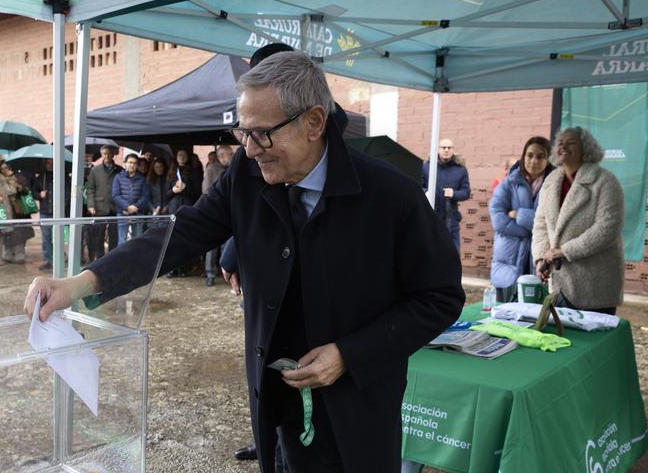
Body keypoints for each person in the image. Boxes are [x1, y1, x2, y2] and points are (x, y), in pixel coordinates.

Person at [24, 51, 464, 473]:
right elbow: (181, 234)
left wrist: (349, 354)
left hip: (356, 411)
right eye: (242, 133)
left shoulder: (391, 195)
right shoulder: (247, 175)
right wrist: (78, 284)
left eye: (263, 133)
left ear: (314, 122)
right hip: (277, 403)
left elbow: (440, 297)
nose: (251, 150)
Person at [532, 126, 624, 315]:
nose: (563, 146)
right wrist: (541, 258)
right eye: (560, 143)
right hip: (560, 284)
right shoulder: (550, 181)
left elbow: (608, 228)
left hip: (596, 284)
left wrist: (565, 251)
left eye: (571, 142)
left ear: (586, 149)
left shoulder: (605, 181)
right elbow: (540, 224)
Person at [489, 137, 554, 303]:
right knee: (504, 311)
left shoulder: (555, 185)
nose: (534, 161)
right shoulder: (509, 182)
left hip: (539, 258)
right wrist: (533, 229)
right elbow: (498, 219)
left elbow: (552, 222)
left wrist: (520, 215)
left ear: (548, 159)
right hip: (508, 259)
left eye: (540, 156)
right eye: (530, 155)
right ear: (523, 156)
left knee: (535, 311)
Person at [422, 138, 470, 251]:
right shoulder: (427, 167)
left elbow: (466, 192)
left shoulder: (461, 170)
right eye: (443, 147)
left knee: (452, 253)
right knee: (430, 251)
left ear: (453, 150)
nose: (446, 150)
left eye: (449, 147)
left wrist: (454, 194)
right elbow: (419, 186)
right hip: (431, 217)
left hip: (451, 219)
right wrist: (426, 192)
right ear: (438, 150)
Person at [165, 148, 203, 278]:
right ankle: (172, 268)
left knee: (185, 240)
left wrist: (185, 188)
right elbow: (166, 194)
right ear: (176, 157)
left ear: (187, 157)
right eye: (179, 155)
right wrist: (173, 191)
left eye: (184, 155)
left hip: (187, 209)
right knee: (172, 240)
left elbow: (197, 193)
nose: (181, 157)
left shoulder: (193, 172)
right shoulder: (171, 172)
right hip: (174, 210)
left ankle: (184, 268)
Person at [202, 145, 233, 286]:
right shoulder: (211, 169)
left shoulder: (232, 168)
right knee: (212, 246)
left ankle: (226, 271)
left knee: (227, 245)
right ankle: (210, 274)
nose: (232, 156)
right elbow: (206, 191)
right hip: (215, 214)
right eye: (230, 154)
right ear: (222, 156)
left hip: (230, 213)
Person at [86, 145, 121, 260]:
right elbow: (90, 189)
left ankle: (112, 258)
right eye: (105, 153)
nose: (107, 156)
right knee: (99, 235)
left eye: (109, 153)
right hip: (99, 207)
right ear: (102, 155)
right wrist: (91, 205)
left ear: (113, 155)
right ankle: (100, 258)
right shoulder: (95, 170)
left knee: (114, 235)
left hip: (115, 207)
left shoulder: (119, 170)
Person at [0, 161, 35, 264]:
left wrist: (19, 187)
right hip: (5, 211)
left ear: (10, 168)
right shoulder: (0, 180)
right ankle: (8, 254)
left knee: (19, 234)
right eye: (2, 168)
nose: (4, 170)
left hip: (19, 211)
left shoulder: (19, 177)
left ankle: (19, 255)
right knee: (6, 233)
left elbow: (27, 191)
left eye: (6, 167)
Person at [112, 153, 150, 244]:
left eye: (135, 163)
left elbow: (145, 196)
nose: (132, 165)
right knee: (122, 241)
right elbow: (115, 195)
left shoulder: (142, 179)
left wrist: (135, 207)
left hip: (138, 213)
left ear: (137, 165)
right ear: (125, 163)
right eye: (130, 162)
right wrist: (127, 207)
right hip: (122, 213)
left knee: (137, 240)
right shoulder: (118, 177)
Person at [34, 158, 54, 270]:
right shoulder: (41, 178)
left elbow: (67, 192)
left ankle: (59, 257)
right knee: (46, 238)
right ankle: (47, 260)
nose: (50, 165)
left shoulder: (62, 177)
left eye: (52, 162)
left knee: (57, 237)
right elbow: (33, 192)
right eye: (48, 162)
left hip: (57, 212)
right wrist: (39, 195)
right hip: (45, 212)